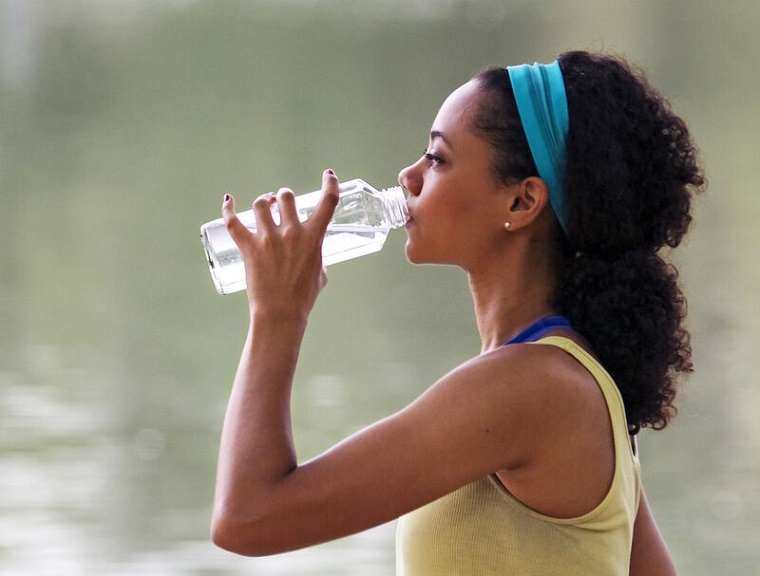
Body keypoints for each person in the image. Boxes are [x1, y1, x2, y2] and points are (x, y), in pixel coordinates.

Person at [210, 50, 704, 575]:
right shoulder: (572, 381)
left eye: (438, 159)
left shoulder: (528, 387)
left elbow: (248, 517)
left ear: (521, 202)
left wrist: (277, 316)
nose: (408, 176)